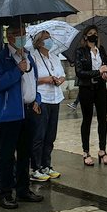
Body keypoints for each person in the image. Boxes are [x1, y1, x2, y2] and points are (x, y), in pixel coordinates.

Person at [0, 23, 43, 209]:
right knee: (7, 155)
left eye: (25, 33)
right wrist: (16, 70)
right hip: (10, 113)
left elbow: (33, 81)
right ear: (10, 36)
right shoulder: (1, 59)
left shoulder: (28, 56)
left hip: (29, 111)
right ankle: (5, 192)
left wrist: (37, 98)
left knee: (25, 153)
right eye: (19, 34)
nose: (23, 37)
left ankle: (23, 189)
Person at [28, 30, 66, 181]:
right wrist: (46, 79)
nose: (49, 41)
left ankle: (46, 164)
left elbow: (62, 74)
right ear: (38, 42)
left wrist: (59, 80)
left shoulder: (54, 57)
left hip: (55, 98)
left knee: (51, 134)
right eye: (45, 38)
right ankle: (35, 167)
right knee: (39, 134)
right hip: (42, 98)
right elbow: (31, 78)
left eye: (49, 38)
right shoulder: (34, 57)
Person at [73, 25, 107, 166]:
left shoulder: (101, 50)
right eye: (90, 33)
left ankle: (102, 150)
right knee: (87, 119)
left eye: (95, 33)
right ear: (85, 36)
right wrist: (97, 72)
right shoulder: (80, 51)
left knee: (103, 119)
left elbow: (106, 66)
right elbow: (79, 72)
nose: (93, 36)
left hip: (101, 87)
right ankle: (86, 151)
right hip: (86, 88)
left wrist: (106, 73)